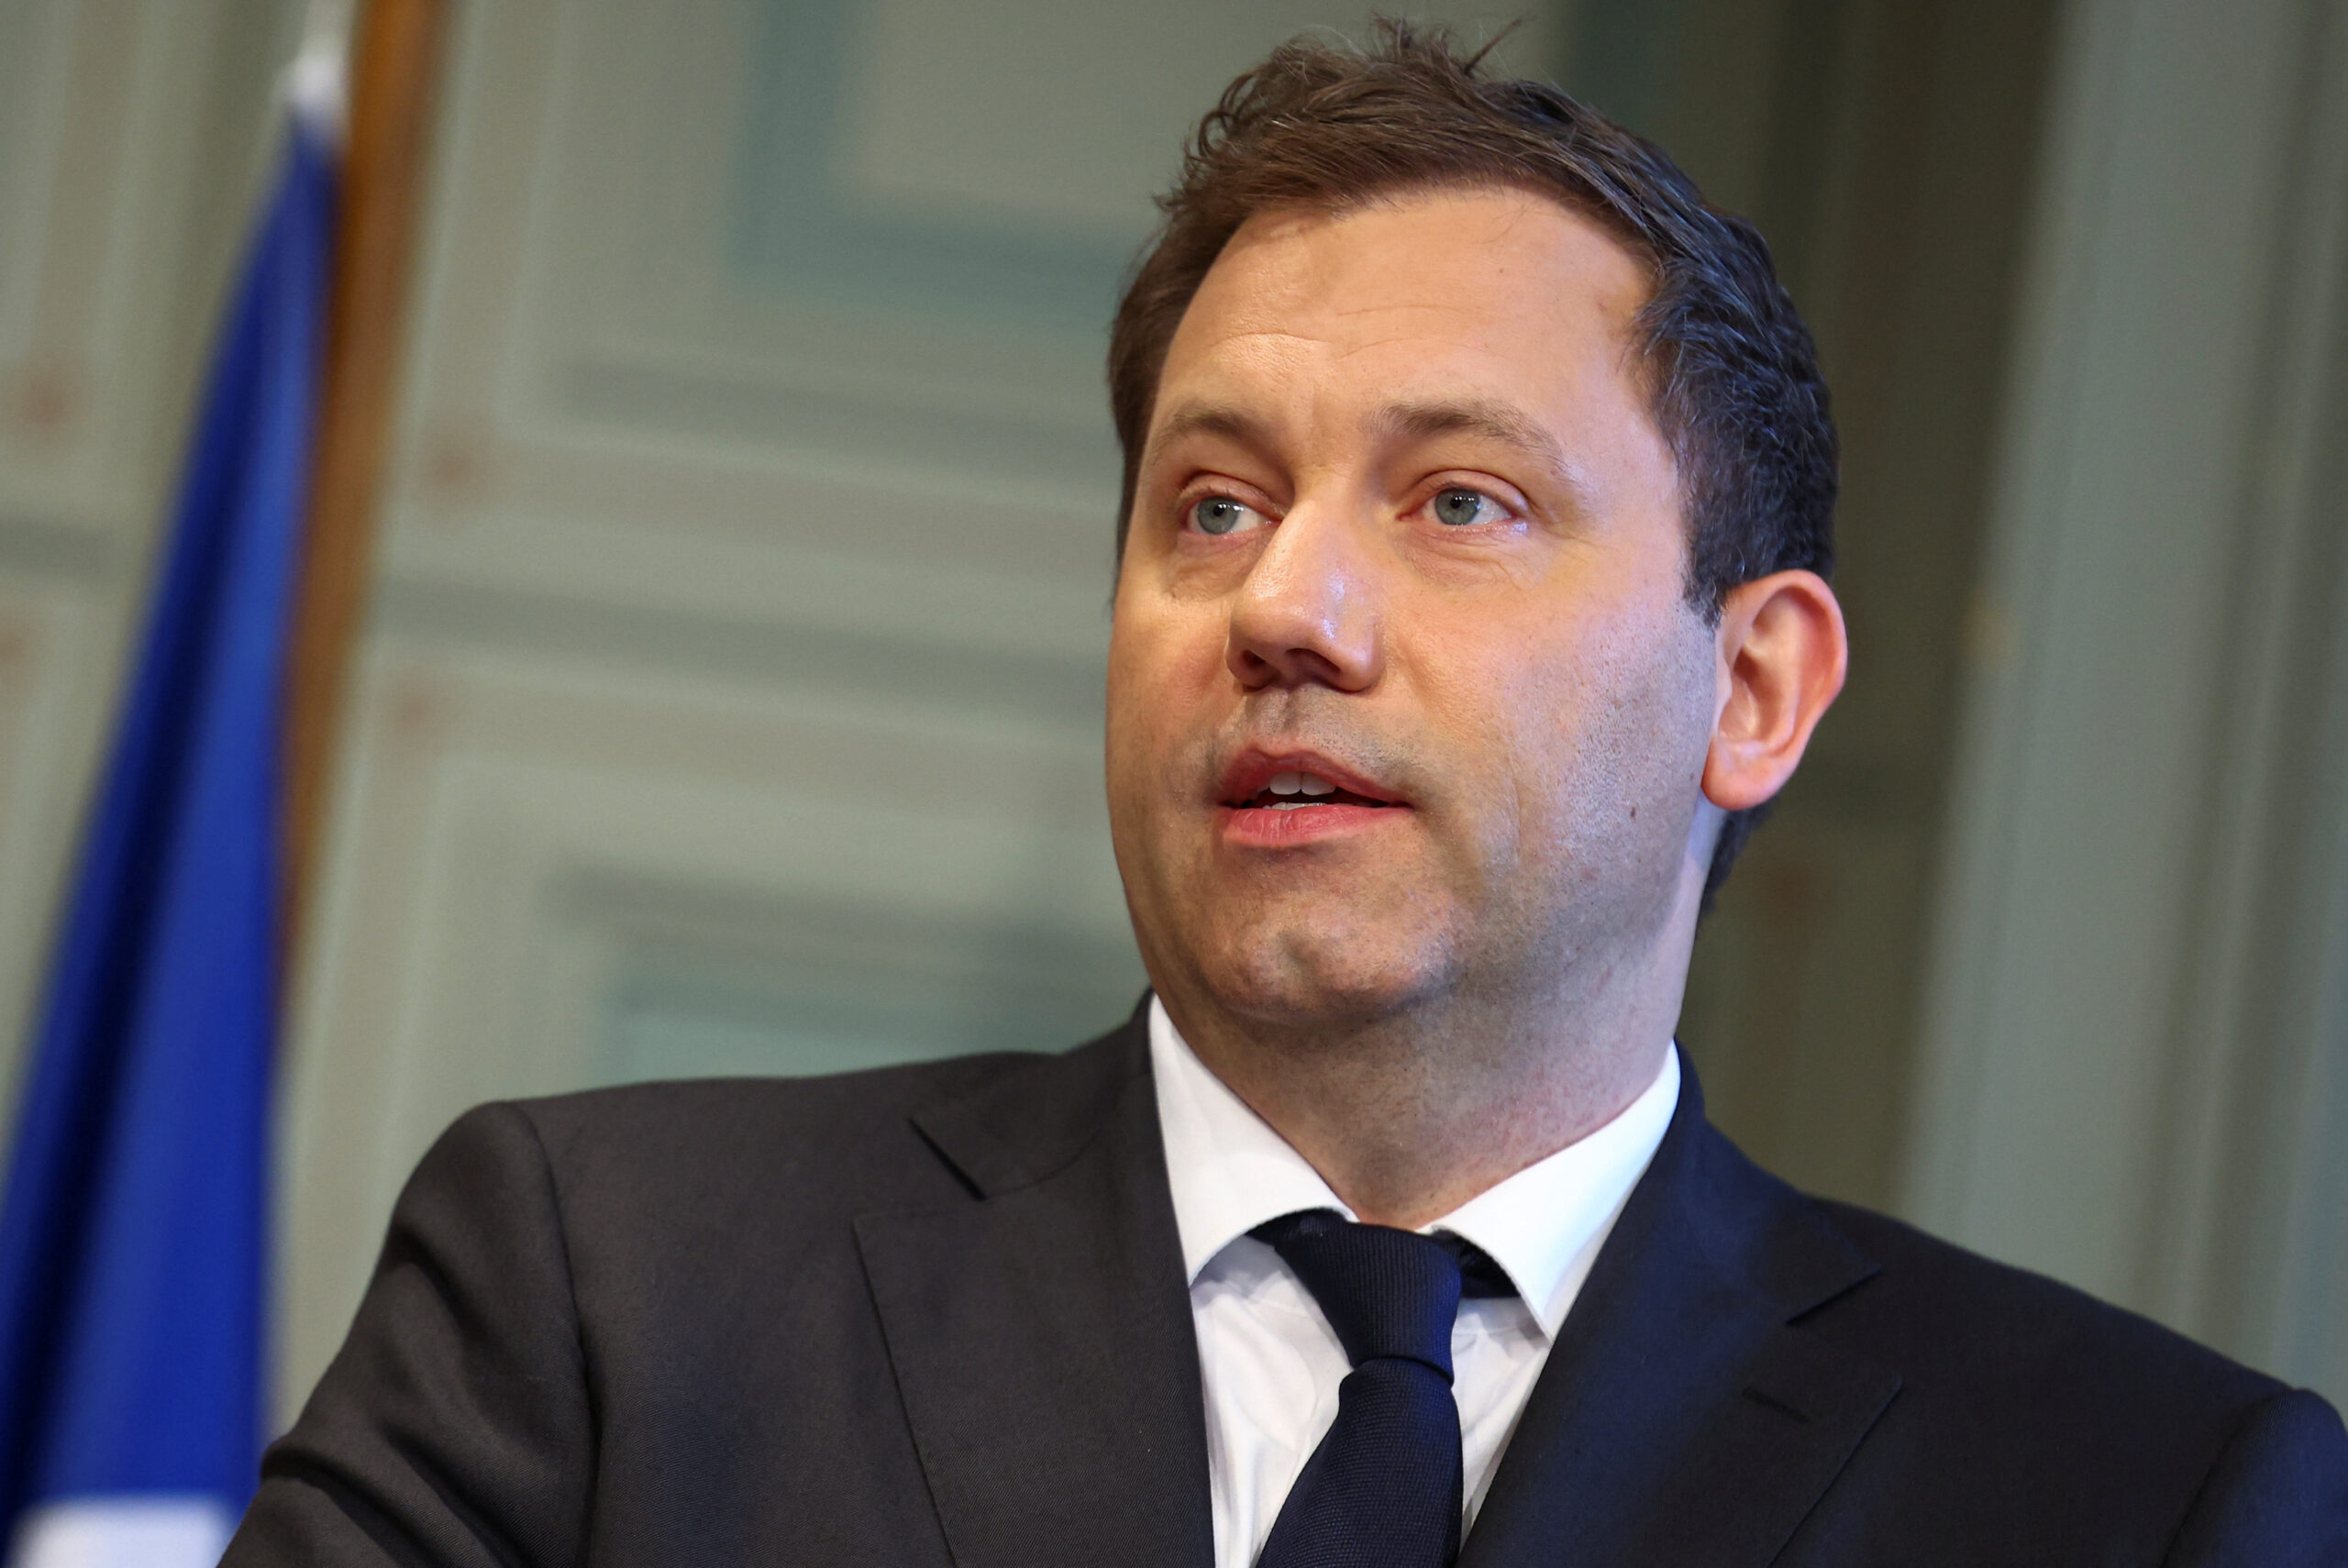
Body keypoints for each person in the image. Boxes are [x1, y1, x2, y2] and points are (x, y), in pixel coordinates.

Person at [224, 24, 2348, 1567]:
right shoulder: (609, 1293)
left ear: (1754, 686)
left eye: (1458, 502)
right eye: (1213, 504)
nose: (1281, 609)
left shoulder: (2135, 1497)